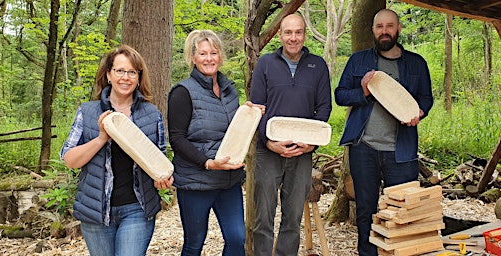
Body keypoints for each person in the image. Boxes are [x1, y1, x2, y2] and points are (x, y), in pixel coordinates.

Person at [334, 9, 434, 256]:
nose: (384, 31)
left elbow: (426, 98)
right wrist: (364, 92)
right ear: (373, 30)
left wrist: (420, 112)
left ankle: (399, 252)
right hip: (363, 149)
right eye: (379, 27)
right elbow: (340, 95)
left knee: (403, 211)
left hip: (401, 152)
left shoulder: (416, 63)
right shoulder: (358, 61)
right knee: (365, 210)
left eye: (389, 26)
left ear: (398, 29)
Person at [60, 45, 173, 256]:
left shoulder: (151, 114)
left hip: (137, 210)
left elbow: (159, 160)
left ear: (139, 77)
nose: (125, 77)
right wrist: (102, 138)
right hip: (96, 212)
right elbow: (70, 159)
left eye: (132, 72)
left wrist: (163, 180)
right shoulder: (88, 111)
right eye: (120, 71)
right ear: (109, 75)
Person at [167, 29, 264, 256]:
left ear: (220, 55)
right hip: (196, 182)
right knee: (194, 243)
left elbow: (235, 132)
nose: (209, 58)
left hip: (228, 180)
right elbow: (177, 139)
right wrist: (208, 163)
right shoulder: (182, 92)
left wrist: (249, 115)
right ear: (193, 58)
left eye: (213, 52)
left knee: (236, 238)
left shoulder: (230, 91)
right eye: (202, 54)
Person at [250, 13, 332, 256]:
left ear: (304, 35)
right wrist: (270, 142)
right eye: (288, 32)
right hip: (269, 152)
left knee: (293, 217)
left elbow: (324, 108)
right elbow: (257, 108)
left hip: (302, 153)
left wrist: (311, 144)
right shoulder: (265, 64)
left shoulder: (317, 66)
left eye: (298, 32)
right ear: (280, 35)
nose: (293, 38)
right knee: (263, 217)